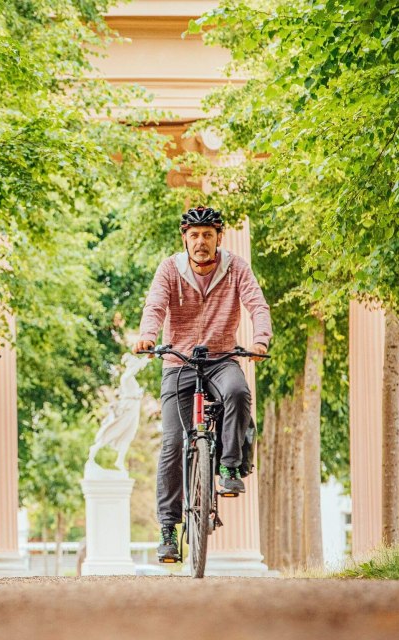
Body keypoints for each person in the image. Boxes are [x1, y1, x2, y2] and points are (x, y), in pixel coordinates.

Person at [133, 205, 272, 562]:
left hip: (222, 358)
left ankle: (228, 466)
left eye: (207, 235)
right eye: (194, 235)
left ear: (218, 238)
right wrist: (148, 337)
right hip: (178, 362)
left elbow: (257, 304)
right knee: (171, 445)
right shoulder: (169, 268)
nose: (201, 241)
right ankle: (168, 528)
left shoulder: (236, 267)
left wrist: (260, 340)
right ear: (185, 238)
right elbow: (155, 306)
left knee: (238, 392)